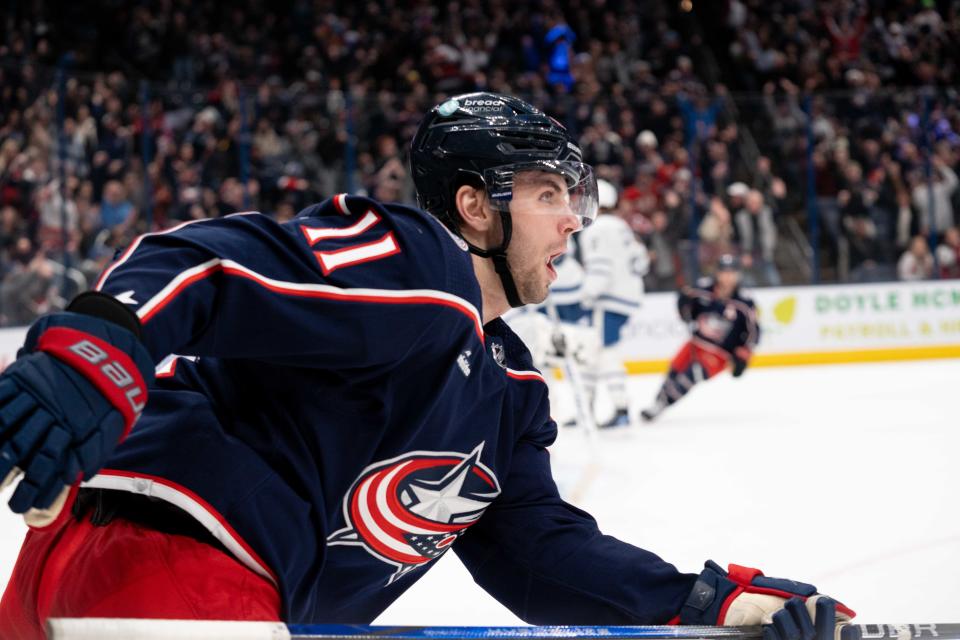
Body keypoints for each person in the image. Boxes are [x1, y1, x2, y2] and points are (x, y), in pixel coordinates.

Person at [0, 93, 848, 637]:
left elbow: (535, 554)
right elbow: (215, 263)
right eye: (549, 194)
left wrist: (703, 602)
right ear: (477, 207)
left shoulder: (509, 387)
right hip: (167, 562)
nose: (572, 222)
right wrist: (100, 345)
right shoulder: (420, 265)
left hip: (182, 590)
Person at [641, 254, 759, 422]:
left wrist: (743, 355)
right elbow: (687, 309)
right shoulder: (703, 289)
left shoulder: (745, 303)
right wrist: (683, 304)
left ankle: (663, 404)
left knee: (693, 375)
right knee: (674, 372)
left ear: (738, 274)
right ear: (717, 273)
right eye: (724, 272)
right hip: (695, 344)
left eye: (732, 272)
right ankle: (658, 403)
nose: (727, 276)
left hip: (719, 354)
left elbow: (754, 332)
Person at [578, 179, 649, 427]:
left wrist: (585, 295)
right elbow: (641, 263)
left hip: (608, 299)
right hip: (627, 297)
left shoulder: (596, 230)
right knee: (595, 351)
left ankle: (620, 408)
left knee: (604, 352)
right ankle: (587, 408)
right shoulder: (622, 226)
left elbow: (601, 269)